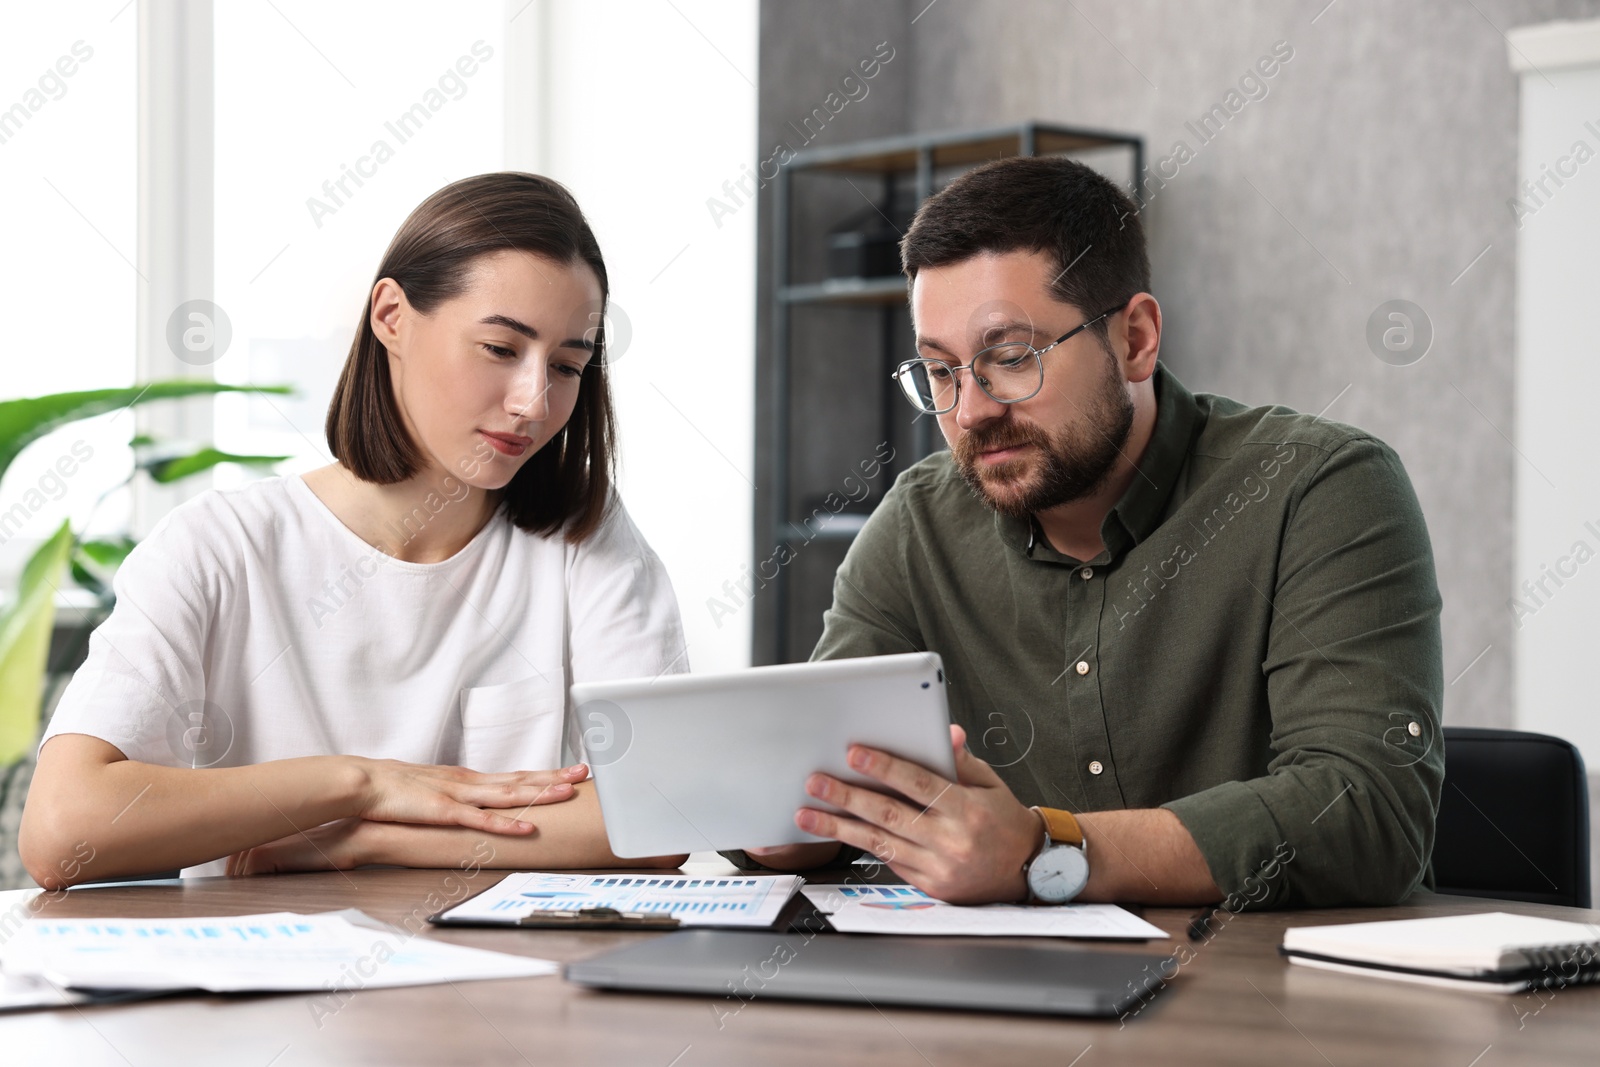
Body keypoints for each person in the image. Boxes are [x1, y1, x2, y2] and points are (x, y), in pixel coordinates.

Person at [739, 156, 1443, 909]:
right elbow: (830, 781)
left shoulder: (1321, 489)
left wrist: (1047, 849)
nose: (969, 412)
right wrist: (787, 820)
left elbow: (1367, 809)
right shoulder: (916, 527)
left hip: (1269, 1005)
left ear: (1136, 338)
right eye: (940, 372)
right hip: (999, 1005)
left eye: (1010, 359)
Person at [21, 173, 689, 887]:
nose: (533, 400)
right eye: (500, 348)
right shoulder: (217, 548)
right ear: (392, 316)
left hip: (502, 980)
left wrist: (365, 841)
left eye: (566, 365)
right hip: (260, 977)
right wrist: (359, 784)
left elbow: (667, 813)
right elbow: (65, 829)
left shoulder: (583, 538)